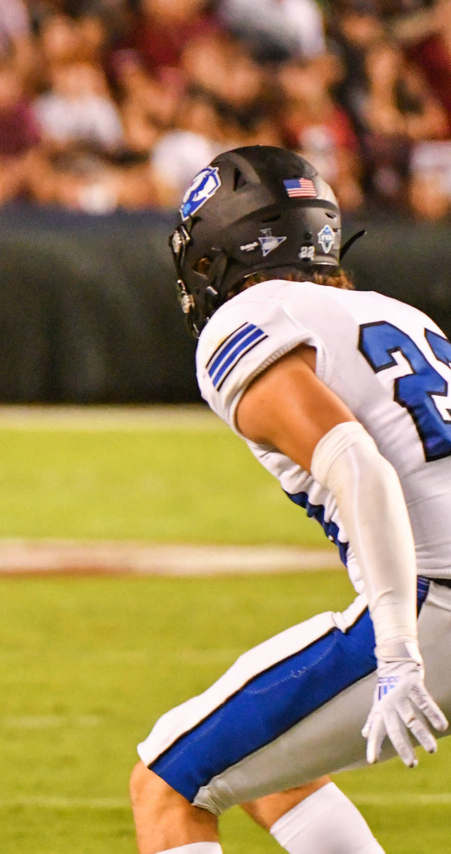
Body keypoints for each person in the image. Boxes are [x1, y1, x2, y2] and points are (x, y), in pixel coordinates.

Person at [130, 145, 451, 854]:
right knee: (266, 770)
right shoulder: (396, 315)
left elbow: (356, 463)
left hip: (434, 608)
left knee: (168, 784)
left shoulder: (251, 320)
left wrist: (397, 647)